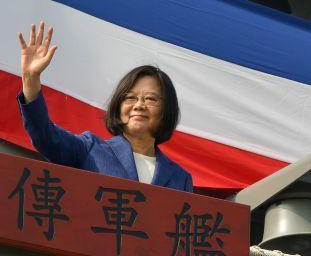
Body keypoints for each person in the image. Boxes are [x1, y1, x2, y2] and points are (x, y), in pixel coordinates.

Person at [17, 22, 194, 192]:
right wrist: (31, 80)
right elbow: (45, 136)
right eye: (131, 98)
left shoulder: (180, 178)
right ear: (118, 106)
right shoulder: (90, 149)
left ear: (167, 110)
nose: (139, 105)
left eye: (150, 99)